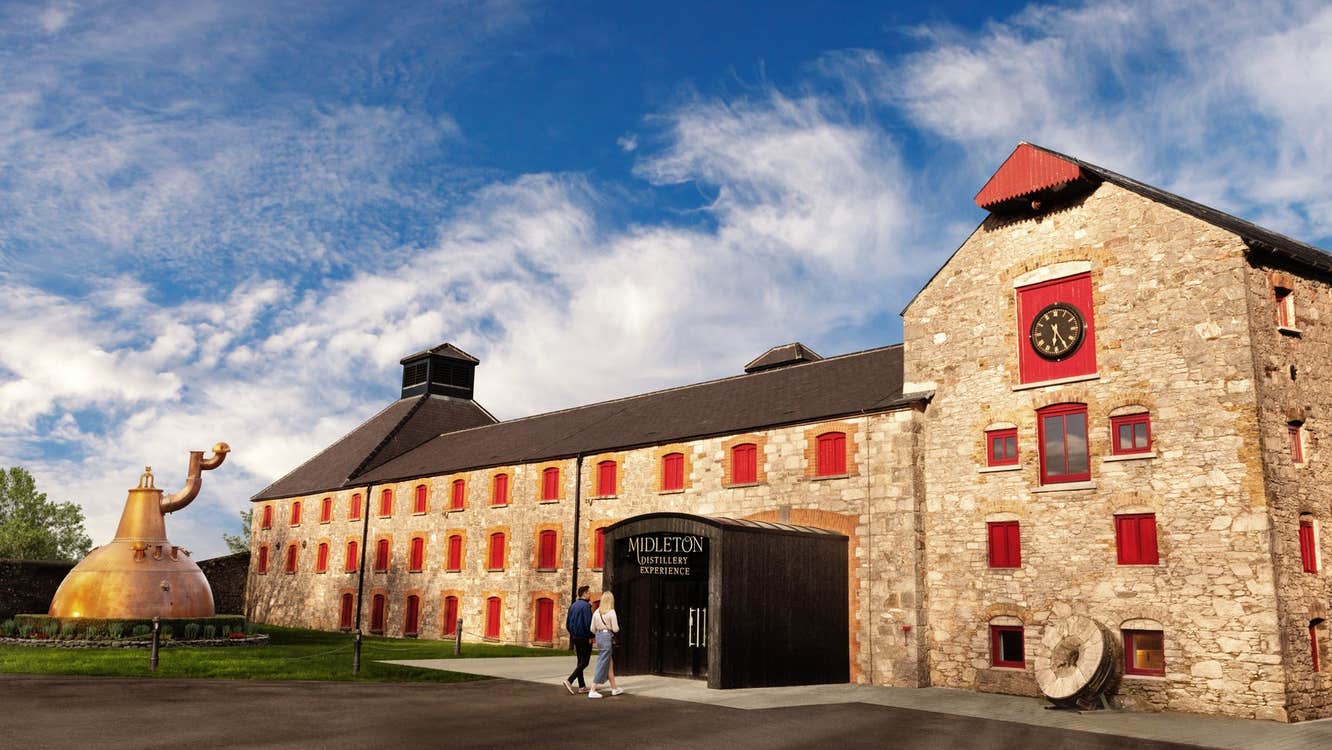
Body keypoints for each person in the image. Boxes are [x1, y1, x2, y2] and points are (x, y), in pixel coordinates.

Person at [588, 590, 623, 698]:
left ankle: (614, 688)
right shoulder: (611, 612)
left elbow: (592, 629)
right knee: (602, 662)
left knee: (609, 663)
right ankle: (593, 689)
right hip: (607, 637)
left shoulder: (596, 612)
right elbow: (616, 629)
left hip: (599, 637)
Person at [562, 585, 593, 694]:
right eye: (589, 593)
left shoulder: (573, 606)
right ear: (584, 594)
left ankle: (582, 686)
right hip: (584, 637)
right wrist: (591, 636)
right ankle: (569, 680)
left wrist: (573, 634)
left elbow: (568, 624)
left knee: (580, 661)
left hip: (575, 637)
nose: (590, 594)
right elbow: (589, 624)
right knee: (585, 662)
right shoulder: (586, 607)